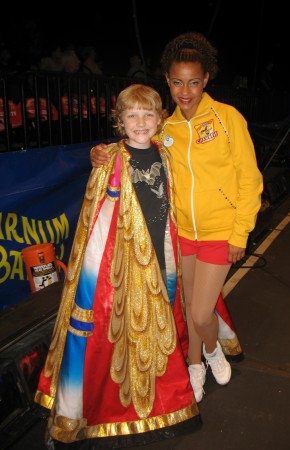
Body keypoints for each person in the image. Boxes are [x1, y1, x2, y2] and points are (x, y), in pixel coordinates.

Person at [90, 32, 264, 404]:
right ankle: (195, 364)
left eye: (194, 82)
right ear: (167, 81)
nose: (186, 90)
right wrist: (100, 153)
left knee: (202, 313)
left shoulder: (227, 119)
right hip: (182, 232)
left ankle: (213, 351)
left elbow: (250, 180)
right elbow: (132, 144)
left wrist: (240, 234)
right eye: (177, 82)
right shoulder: (165, 128)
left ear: (206, 80)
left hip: (220, 232)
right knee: (186, 308)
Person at [34, 84, 202, 448]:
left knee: (160, 329)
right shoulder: (110, 158)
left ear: (160, 120)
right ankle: (86, 412)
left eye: (147, 115)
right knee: (109, 338)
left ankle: (161, 404)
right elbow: (95, 221)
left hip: (162, 257)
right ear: (119, 121)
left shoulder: (165, 154)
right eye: (132, 116)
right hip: (116, 269)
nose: (140, 122)